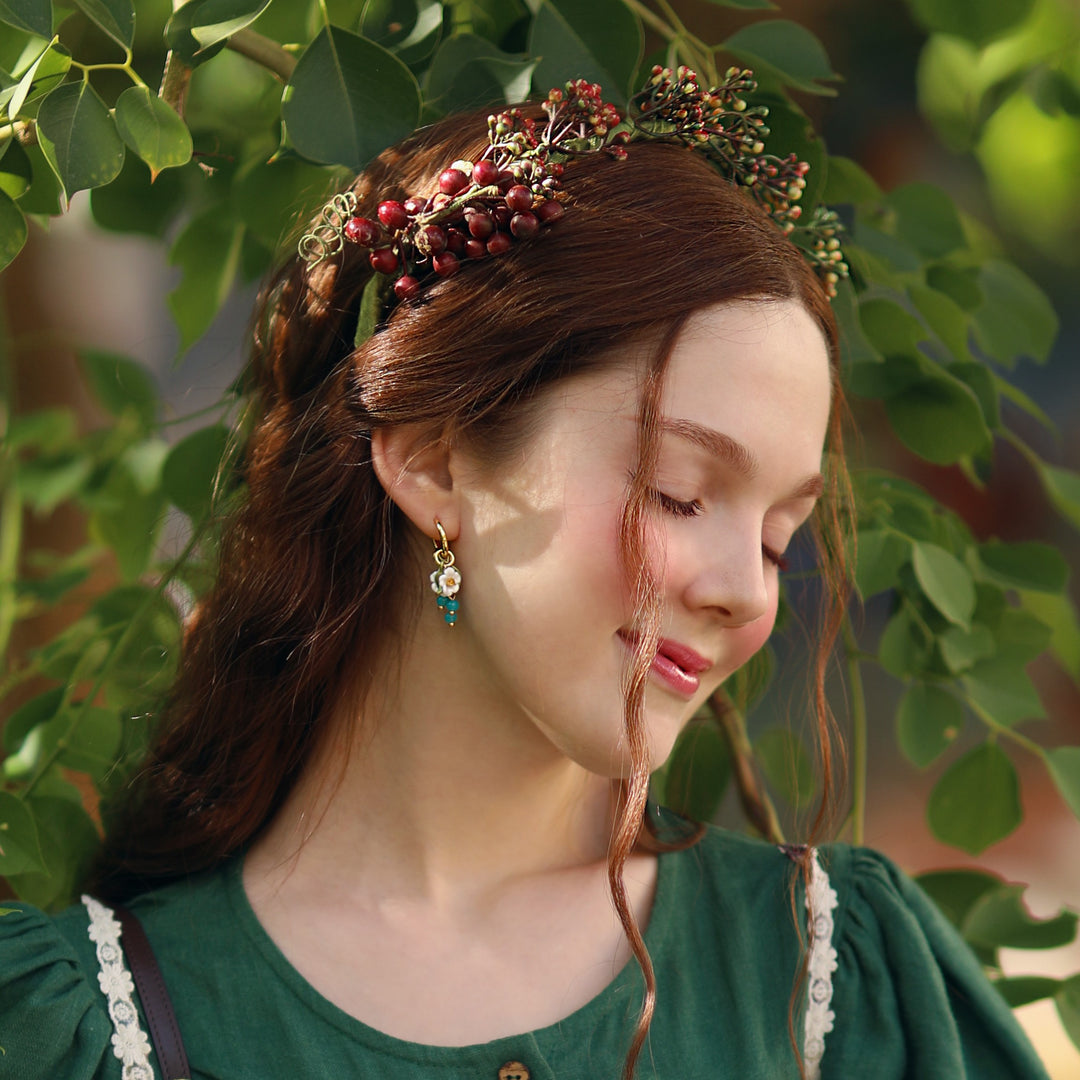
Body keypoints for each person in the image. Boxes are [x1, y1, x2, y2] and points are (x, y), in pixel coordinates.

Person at [0, 73, 1052, 1080]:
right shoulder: (95, 1025)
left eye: (781, 536)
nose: (746, 589)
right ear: (433, 458)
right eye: (681, 493)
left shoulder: (831, 978)